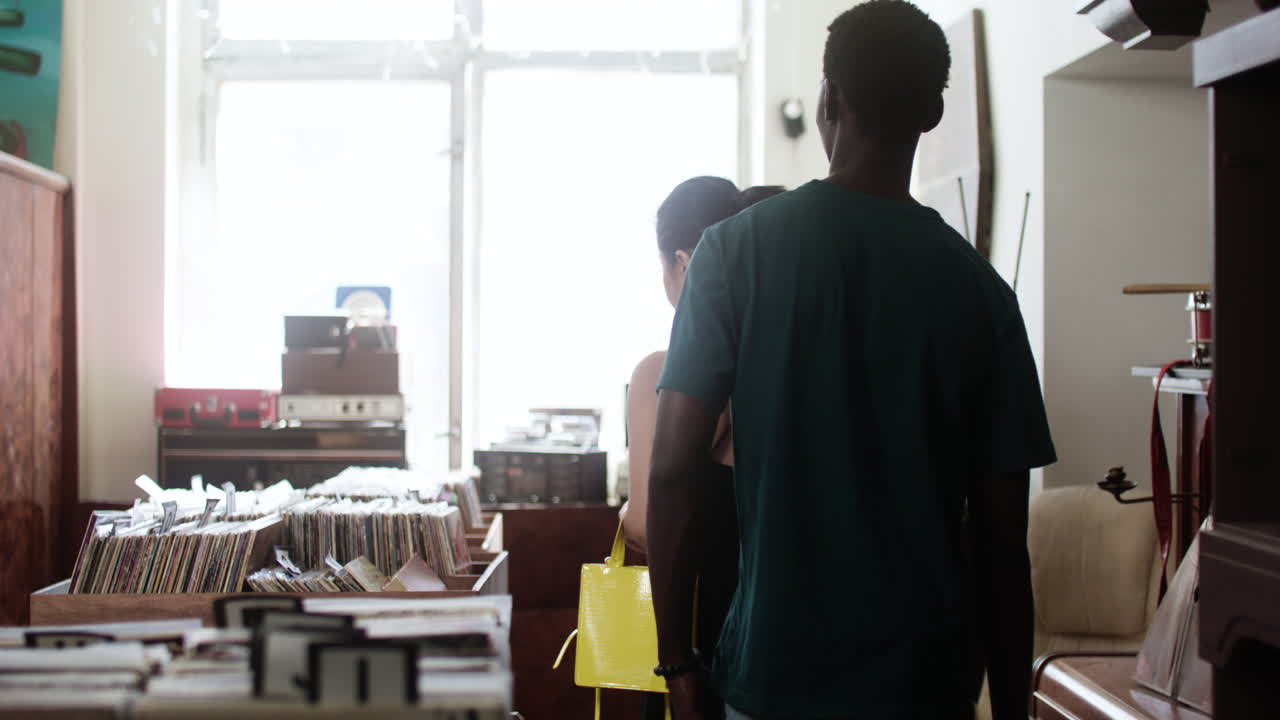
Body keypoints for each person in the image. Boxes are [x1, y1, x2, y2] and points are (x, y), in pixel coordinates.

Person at [645, 2, 1056, 720]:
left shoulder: (734, 255)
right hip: (924, 685)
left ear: (830, 99)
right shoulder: (983, 295)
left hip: (774, 675)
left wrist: (677, 662)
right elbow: (1001, 542)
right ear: (931, 112)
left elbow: (673, 470)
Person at [621, 177, 785, 720]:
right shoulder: (792, 370)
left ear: (686, 262)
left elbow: (647, 523)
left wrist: (625, 509)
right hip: (795, 639)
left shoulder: (660, 376)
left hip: (696, 644)